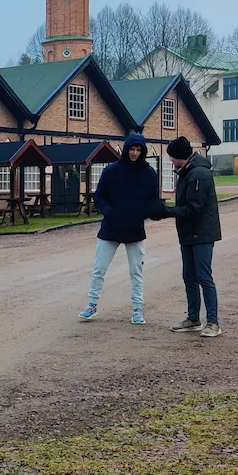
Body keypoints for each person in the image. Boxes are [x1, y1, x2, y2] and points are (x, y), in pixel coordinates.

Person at [78, 133, 159, 325]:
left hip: (135, 228)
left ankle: (137, 309)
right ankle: (92, 304)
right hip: (111, 227)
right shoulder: (111, 171)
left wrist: (146, 213)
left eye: (139, 150)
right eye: (132, 149)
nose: (134, 153)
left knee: (136, 271)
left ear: (143, 152)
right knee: (99, 268)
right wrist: (108, 212)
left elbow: (153, 200)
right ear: (126, 149)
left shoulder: (149, 174)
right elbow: (100, 196)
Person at [158, 136, 223, 338]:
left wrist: (167, 212)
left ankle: (213, 322)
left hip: (202, 233)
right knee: (189, 276)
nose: (171, 161)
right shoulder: (187, 172)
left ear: (180, 156)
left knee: (204, 277)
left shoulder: (198, 175)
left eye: (172, 157)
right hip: (188, 233)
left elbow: (194, 209)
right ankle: (194, 318)